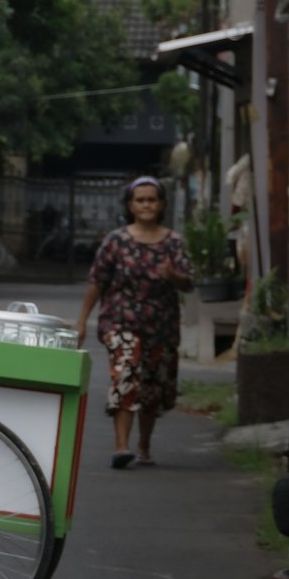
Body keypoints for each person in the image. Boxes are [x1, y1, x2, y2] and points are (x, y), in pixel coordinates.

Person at [76, 175, 194, 470]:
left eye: (151, 199)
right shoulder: (116, 241)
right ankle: (121, 447)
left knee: (153, 386)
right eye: (140, 200)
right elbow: (97, 282)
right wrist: (81, 321)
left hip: (161, 327)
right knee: (126, 372)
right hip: (120, 322)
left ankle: (143, 445)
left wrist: (173, 276)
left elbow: (190, 282)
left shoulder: (174, 242)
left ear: (162, 204)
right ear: (130, 205)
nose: (146, 205)